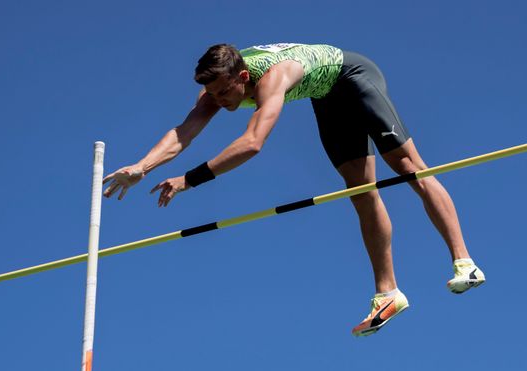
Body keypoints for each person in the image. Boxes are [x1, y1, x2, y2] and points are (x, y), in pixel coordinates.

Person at [102, 43, 486, 336]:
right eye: (213, 95)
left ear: (242, 78)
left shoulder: (273, 78)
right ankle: (388, 293)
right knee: (360, 192)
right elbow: (183, 132)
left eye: (224, 93)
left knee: (407, 169)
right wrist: (141, 166)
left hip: (353, 78)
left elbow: (253, 142)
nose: (219, 102)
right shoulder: (217, 90)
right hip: (327, 98)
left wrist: (190, 179)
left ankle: (464, 262)